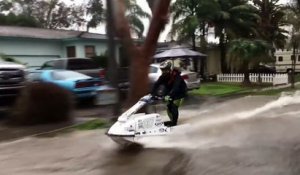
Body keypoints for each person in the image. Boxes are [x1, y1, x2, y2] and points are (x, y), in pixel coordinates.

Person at [151, 60, 187, 126]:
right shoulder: (162, 77)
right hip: (171, 92)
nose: (163, 71)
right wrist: (152, 94)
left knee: (174, 106)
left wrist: (169, 95)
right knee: (169, 107)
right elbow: (156, 85)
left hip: (180, 93)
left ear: (170, 69)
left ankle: (174, 123)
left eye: (165, 70)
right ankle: (172, 121)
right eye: (162, 70)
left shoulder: (176, 76)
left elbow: (176, 87)